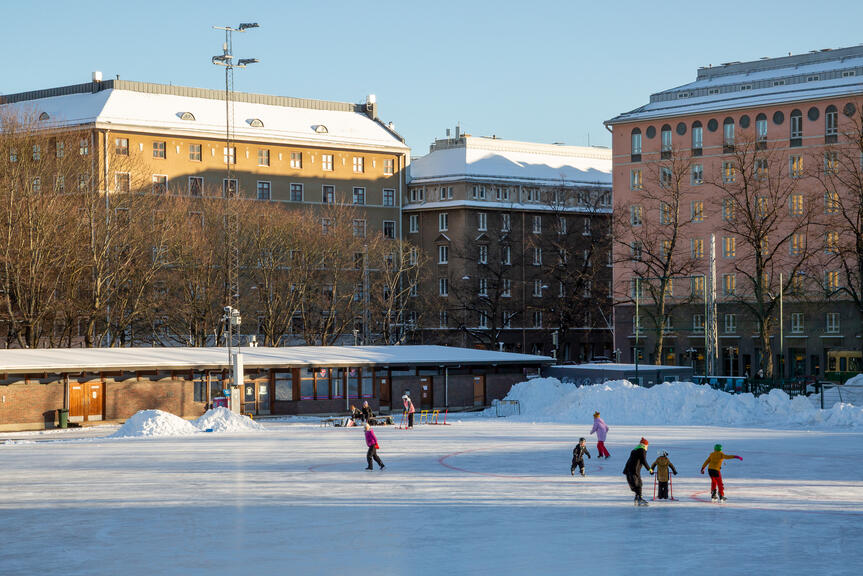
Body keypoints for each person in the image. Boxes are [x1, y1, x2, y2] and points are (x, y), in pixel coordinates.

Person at [622, 437, 653, 506]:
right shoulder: (642, 450)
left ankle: (637, 497)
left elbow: (629, 460)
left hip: (630, 469)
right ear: (645, 445)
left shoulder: (635, 450)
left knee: (637, 483)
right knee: (638, 484)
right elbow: (643, 461)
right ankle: (639, 498)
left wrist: (625, 470)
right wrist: (650, 469)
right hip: (634, 470)